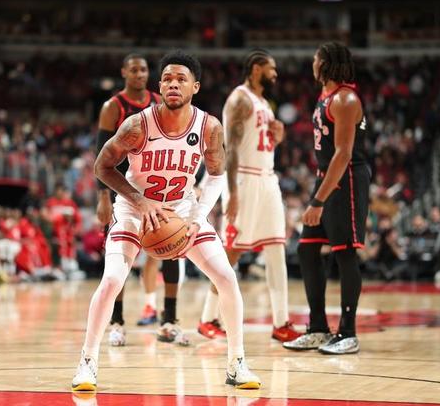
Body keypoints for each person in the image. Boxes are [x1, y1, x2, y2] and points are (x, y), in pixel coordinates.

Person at [72, 50, 260, 391]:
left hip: (181, 210)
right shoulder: (137, 125)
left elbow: (217, 175)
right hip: (134, 210)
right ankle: (87, 362)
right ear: (159, 86)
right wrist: (138, 200)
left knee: (226, 278)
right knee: (112, 280)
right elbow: (102, 166)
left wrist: (197, 217)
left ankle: (237, 362)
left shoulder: (208, 126)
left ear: (195, 87)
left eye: (181, 79)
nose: (174, 84)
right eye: (168, 79)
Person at [198, 49, 301, 343]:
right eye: (271, 69)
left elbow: (259, 144)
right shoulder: (240, 99)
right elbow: (230, 149)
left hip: (267, 178)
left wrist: (278, 137)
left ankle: (281, 322)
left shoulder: (264, 102)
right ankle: (207, 318)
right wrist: (231, 193)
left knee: (276, 247)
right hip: (243, 180)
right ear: (256, 69)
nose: (275, 75)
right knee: (232, 251)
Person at [283, 42, 370, 355]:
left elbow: (343, 154)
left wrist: (317, 201)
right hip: (327, 177)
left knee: (345, 252)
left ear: (326, 63)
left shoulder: (346, 99)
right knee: (306, 250)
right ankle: (318, 328)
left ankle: (348, 333)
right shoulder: (325, 95)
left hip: (347, 179)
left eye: (315, 59)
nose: (312, 64)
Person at [95, 54, 185, 346]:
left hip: (157, 187)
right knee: (120, 257)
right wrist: (103, 197)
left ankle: (169, 320)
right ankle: (117, 322)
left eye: (144, 70)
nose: (139, 74)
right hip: (123, 190)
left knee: (171, 247)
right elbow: (101, 155)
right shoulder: (113, 107)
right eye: (134, 70)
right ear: (124, 72)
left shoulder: (159, 102)